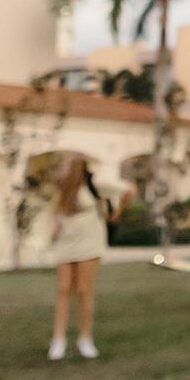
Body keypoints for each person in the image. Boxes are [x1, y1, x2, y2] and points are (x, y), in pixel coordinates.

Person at [47, 154, 133, 361]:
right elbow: (57, 214)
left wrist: (116, 212)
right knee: (63, 289)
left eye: (66, 165)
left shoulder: (95, 184)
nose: (62, 169)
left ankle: (85, 338)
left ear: (76, 167)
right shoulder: (61, 189)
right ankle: (58, 339)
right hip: (65, 244)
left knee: (84, 290)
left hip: (89, 244)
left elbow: (129, 190)